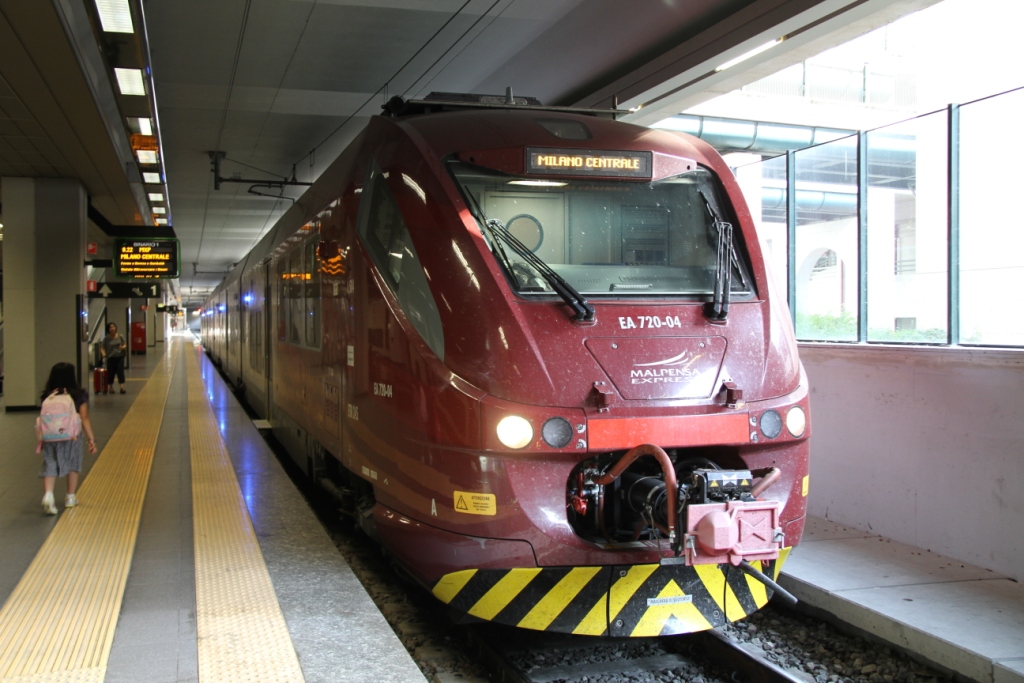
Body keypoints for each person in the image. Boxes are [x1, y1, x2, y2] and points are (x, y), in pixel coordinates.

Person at [39, 362, 97, 515]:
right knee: (73, 462)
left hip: (50, 436)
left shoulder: (47, 395)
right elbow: (84, 417)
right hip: (72, 436)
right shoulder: (78, 394)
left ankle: (48, 494)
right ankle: (70, 497)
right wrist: (91, 439)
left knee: (50, 462)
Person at [101, 322, 127, 394]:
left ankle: (122, 387)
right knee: (111, 373)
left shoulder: (120, 336)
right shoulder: (106, 338)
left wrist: (122, 347)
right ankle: (111, 387)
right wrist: (103, 353)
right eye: (110, 327)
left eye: (113, 327)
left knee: (120, 372)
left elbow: (125, 345)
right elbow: (102, 347)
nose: (112, 328)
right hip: (110, 357)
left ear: (116, 328)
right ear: (108, 329)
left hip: (119, 357)